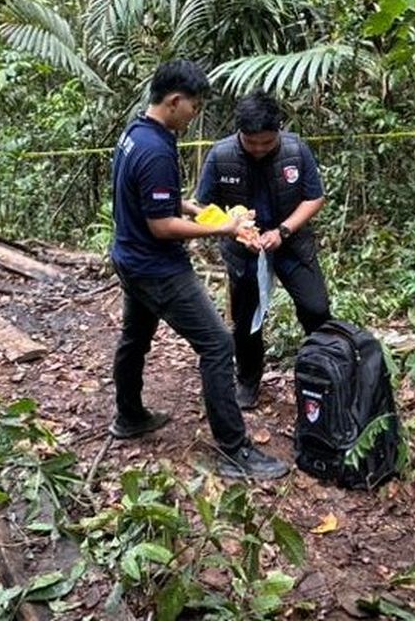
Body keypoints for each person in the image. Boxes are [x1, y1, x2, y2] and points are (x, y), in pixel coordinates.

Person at [109, 61, 288, 480]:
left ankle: (129, 415)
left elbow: (158, 201)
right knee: (217, 344)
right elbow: (161, 225)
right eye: (193, 105)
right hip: (157, 268)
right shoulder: (155, 150)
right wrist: (224, 227)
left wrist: (199, 210)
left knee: (134, 338)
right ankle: (233, 449)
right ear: (174, 101)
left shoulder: (137, 134)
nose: (195, 113)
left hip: (130, 257)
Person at [196, 91, 331, 409]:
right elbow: (202, 204)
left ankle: (325, 370)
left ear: (278, 131)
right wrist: (233, 225)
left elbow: (315, 198)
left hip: (291, 244)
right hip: (243, 249)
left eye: (266, 143)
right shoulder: (220, 155)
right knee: (246, 320)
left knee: (316, 308)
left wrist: (283, 230)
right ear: (239, 132)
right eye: (251, 142)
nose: (258, 149)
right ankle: (247, 380)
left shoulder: (296, 150)